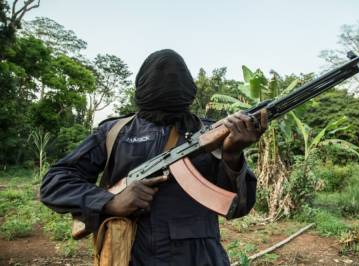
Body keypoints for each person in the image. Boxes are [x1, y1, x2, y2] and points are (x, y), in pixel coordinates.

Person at [40, 49, 267, 265]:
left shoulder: (211, 134)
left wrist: (232, 154)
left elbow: (238, 207)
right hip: (129, 255)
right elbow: (54, 183)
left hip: (199, 258)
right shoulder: (114, 133)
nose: (167, 86)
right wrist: (109, 202)